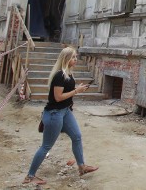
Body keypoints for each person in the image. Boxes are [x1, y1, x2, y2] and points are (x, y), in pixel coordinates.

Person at [23, 47, 98, 185]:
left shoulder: (68, 73)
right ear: (66, 59)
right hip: (54, 113)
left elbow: (66, 94)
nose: (75, 60)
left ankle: (82, 167)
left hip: (65, 111)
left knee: (77, 136)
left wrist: (78, 89)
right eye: (73, 57)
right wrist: (76, 91)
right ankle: (29, 176)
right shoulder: (59, 75)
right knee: (46, 146)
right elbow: (58, 97)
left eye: (76, 57)